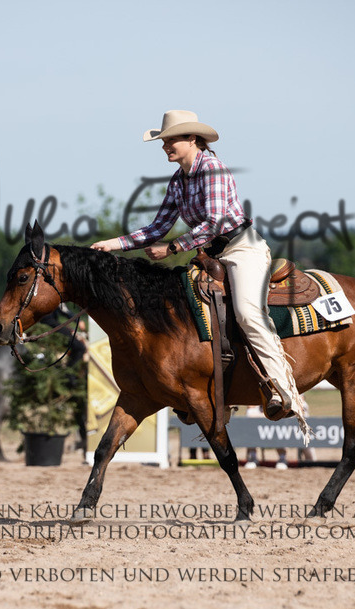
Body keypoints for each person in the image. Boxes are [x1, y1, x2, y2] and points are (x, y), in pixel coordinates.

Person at [91, 110, 309, 439]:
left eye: (171, 140)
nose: (165, 146)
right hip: (209, 255)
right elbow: (157, 228)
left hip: (242, 248)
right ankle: (214, 391)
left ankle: (283, 389)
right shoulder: (177, 180)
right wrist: (113, 244)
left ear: (192, 139)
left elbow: (216, 223)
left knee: (247, 312)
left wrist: (173, 248)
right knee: (181, 315)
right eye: (163, 141)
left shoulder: (212, 169)